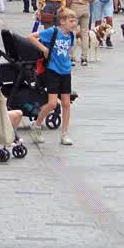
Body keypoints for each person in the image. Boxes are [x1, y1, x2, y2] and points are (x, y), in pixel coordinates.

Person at [25, 8, 79, 146]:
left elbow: (68, 51)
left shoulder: (71, 35)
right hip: (52, 71)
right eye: (71, 20)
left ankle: (65, 134)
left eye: (75, 20)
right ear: (62, 21)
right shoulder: (53, 32)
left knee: (67, 103)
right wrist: (44, 49)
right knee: (52, 103)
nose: (74, 23)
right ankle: (36, 126)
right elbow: (31, 37)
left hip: (66, 72)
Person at [66, 0, 99, 66]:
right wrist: (89, 0)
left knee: (73, 32)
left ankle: (72, 57)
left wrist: (66, 6)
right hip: (86, 7)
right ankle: (84, 58)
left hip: (75, 7)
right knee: (85, 33)